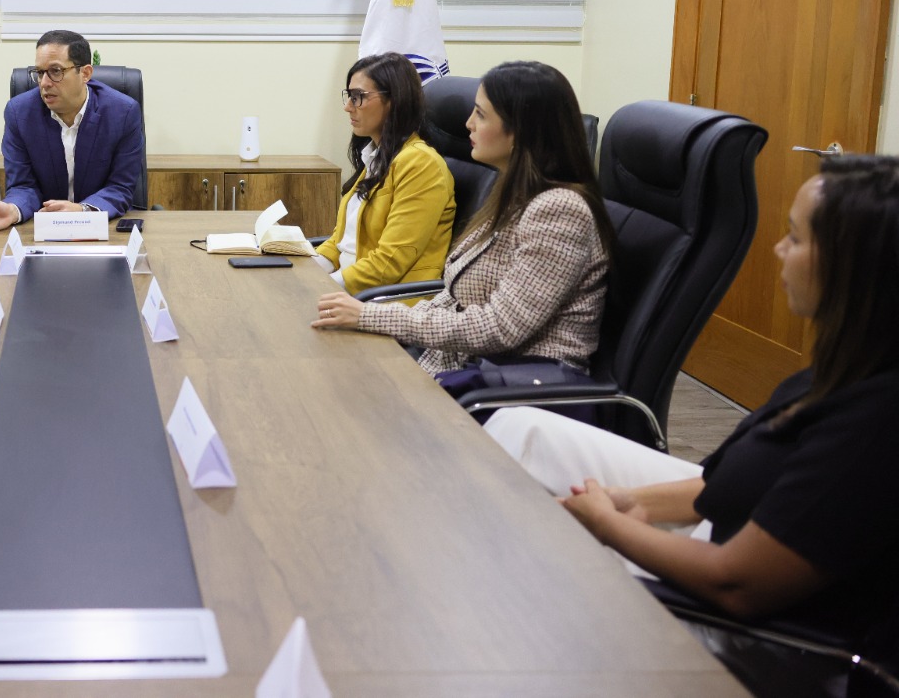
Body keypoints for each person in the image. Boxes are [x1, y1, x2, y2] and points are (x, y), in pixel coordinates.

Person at [486, 156, 899, 697]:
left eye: (794, 239)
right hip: (723, 524)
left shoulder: (874, 424)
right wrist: (630, 503)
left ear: (852, 269)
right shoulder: (848, 361)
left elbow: (735, 582)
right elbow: (728, 481)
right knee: (520, 429)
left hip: (747, 628)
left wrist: (609, 525)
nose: (778, 250)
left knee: (521, 559)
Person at [312, 60, 613, 378]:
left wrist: (370, 317)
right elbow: (452, 295)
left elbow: (500, 327)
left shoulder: (559, 212)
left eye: (481, 115)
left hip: (514, 389)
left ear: (521, 130)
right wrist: (369, 316)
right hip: (459, 364)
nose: (468, 124)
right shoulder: (512, 196)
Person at [0, 29, 143, 234]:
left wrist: (82, 211)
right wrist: (13, 210)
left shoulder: (122, 112)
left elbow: (120, 187)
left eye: (56, 71)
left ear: (85, 73)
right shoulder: (20, 113)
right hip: (42, 230)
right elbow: (23, 185)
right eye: (40, 72)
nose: (44, 83)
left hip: (105, 229)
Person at [312, 52, 455, 293]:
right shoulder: (375, 157)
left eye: (358, 97)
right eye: (349, 96)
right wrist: (301, 271)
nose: (348, 107)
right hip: (350, 290)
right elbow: (340, 242)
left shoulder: (421, 164)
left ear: (394, 100)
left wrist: (322, 287)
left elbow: (389, 264)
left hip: (386, 300)